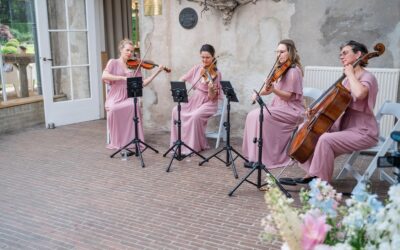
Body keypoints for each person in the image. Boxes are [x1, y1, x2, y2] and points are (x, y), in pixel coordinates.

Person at [280, 40, 379, 185]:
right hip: (345, 126)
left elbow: (359, 94)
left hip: (363, 131)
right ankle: (312, 173)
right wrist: (315, 111)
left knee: (326, 139)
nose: (341, 57)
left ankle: (321, 183)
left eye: (345, 53)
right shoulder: (346, 80)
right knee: (307, 129)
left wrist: (350, 74)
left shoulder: (367, 77)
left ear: (358, 54)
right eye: (340, 54)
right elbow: (334, 104)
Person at [242, 39, 305, 169]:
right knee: (252, 115)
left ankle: (267, 158)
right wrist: (259, 92)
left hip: (291, 109)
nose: (279, 55)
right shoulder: (280, 69)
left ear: (290, 52)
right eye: (277, 52)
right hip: (278, 106)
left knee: (262, 117)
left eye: (282, 52)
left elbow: (289, 97)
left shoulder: (294, 71)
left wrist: (274, 90)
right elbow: (268, 89)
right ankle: (254, 157)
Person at [102, 39, 166, 150]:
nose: (130, 53)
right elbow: (104, 76)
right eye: (127, 50)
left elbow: (142, 83)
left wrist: (157, 72)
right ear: (121, 50)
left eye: (131, 51)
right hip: (115, 95)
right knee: (113, 109)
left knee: (134, 105)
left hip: (128, 95)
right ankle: (118, 140)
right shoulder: (113, 62)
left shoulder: (135, 66)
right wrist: (122, 78)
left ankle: (132, 139)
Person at [169, 44, 222, 155]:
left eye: (207, 57)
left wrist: (211, 88)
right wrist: (180, 84)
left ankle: (193, 146)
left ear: (213, 57)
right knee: (175, 110)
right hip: (194, 99)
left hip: (208, 103)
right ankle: (179, 142)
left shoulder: (216, 73)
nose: (205, 60)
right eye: (202, 57)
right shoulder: (197, 68)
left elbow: (212, 97)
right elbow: (183, 78)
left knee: (194, 116)